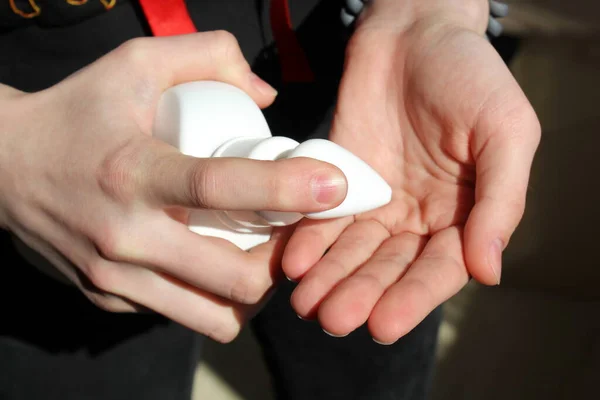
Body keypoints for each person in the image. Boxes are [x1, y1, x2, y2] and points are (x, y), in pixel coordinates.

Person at [0, 0, 540, 399]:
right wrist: (14, 151)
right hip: (57, 180)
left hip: (374, 110)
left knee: (369, 373)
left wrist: (428, 14)